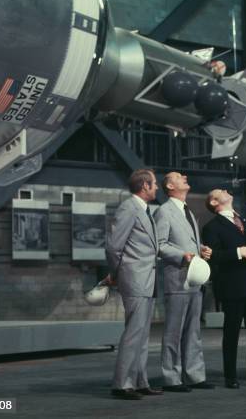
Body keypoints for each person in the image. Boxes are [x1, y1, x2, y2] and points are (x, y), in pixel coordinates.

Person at [106, 169, 163, 400]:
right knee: (133, 333)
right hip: (135, 278)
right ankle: (121, 384)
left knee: (142, 334)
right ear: (145, 186)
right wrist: (117, 273)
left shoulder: (144, 210)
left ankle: (140, 381)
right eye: (155, 184)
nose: (157, 187)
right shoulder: (129, 208)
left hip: (147, 279)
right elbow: (113, 246)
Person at [155, 172, 215, 392]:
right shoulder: (164, 211)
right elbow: (159, 245)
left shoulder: (188, 211)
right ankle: (172, 378)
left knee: (193, 331)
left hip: (194, 280)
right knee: (174, 331)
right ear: (170, 186)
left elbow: (185, 242)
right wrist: (183, 255)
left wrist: (200, 250)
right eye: (179, 176)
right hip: (177, 279)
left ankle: (195, 375)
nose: (185, 176)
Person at [201, 189, 246, 389]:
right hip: (231, 285)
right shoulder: (211, 227)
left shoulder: (245, 221)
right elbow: (214, 257)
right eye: (221, 191)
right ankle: (230, 376)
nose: (226, 191)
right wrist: (238, 252)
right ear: (214, 202)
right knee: (232, 333)